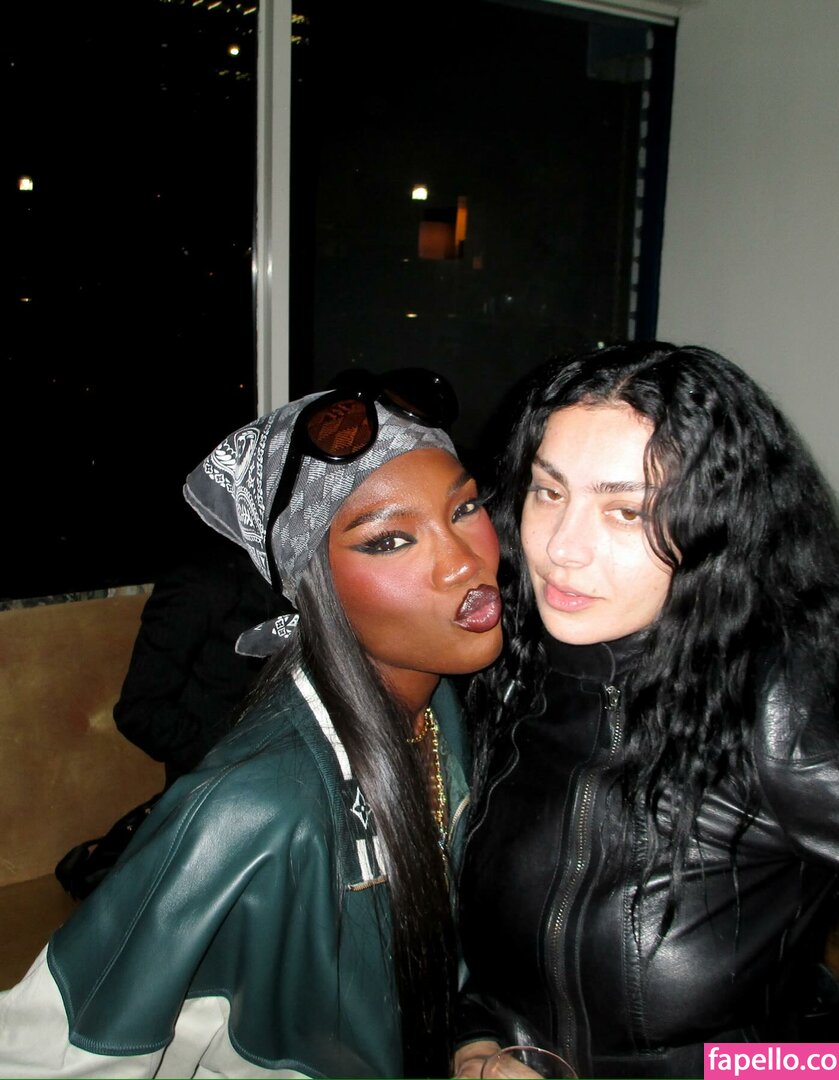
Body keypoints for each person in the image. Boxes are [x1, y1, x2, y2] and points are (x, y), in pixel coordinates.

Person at [0, 367, 503, 1078]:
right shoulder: (251, 809)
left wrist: (473, 1039)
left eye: (465, 507)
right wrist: (251, 773)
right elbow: (49, 1052)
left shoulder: (446, 709)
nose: (461, 563)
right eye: (390, 540)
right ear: (310, 584)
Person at [453, 342, 839, 1079]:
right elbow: (495, 954)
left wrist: (788, 1070)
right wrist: (478, 1038)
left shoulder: (783, 708)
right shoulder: (509, 675)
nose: (562, 549)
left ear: (718, 525)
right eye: (549, 492)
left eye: (627, 511)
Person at [114, 524, 295, 789]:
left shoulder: (302, 575)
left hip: (290, 776)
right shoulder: (203, 580)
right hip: (219, 787)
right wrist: (229, 753)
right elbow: (139, 712)